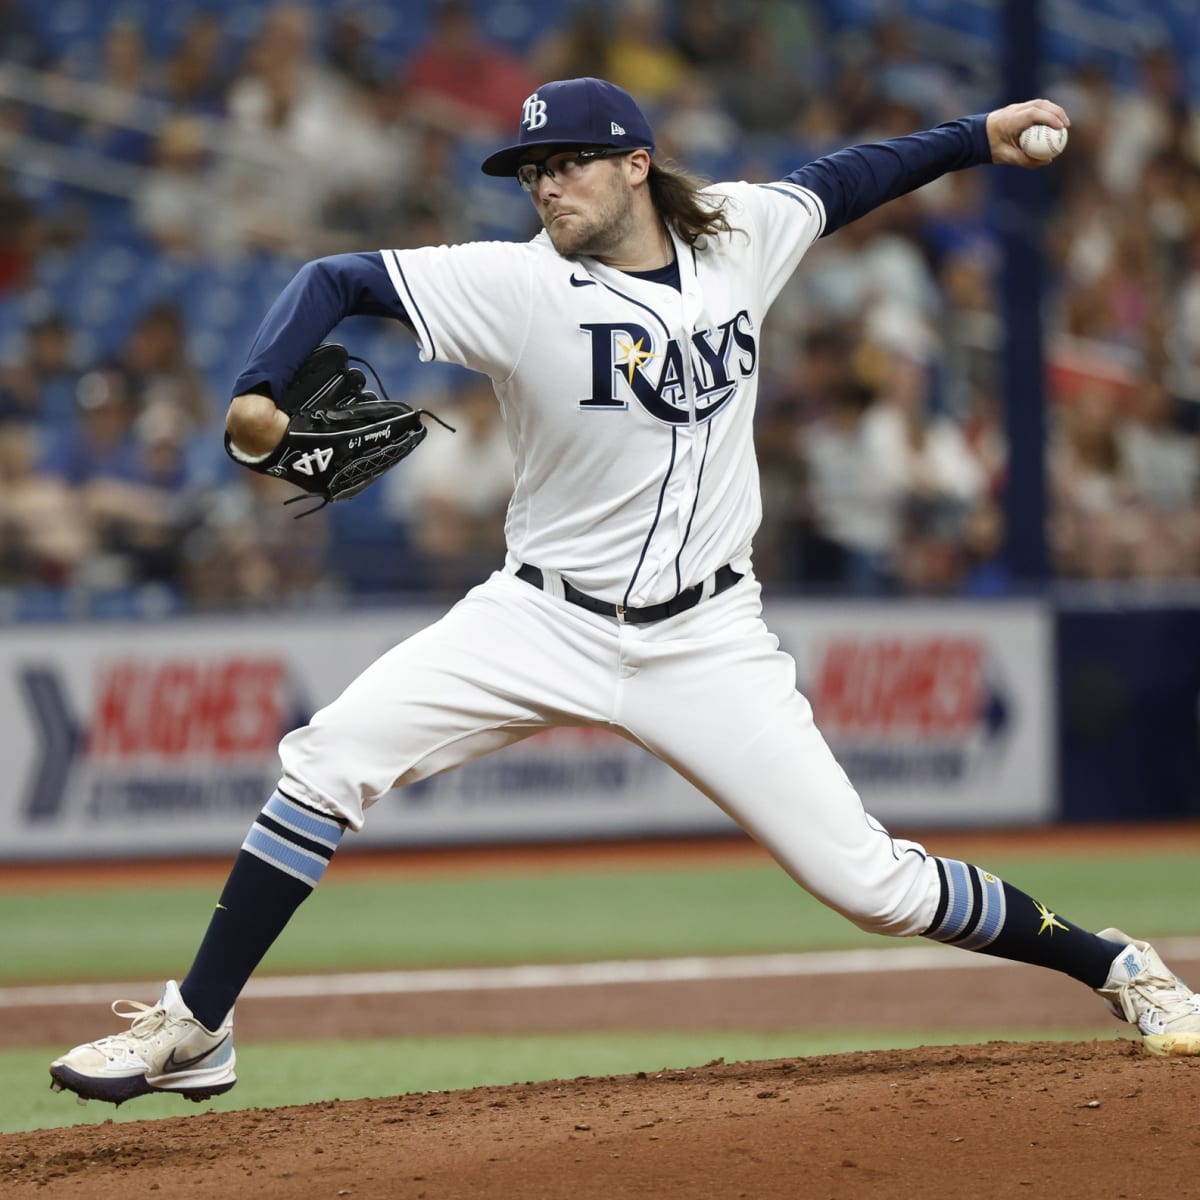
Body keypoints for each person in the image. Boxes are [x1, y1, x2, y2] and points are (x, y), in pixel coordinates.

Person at [49, 76, 1200, 1108]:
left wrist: (980, 138)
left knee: (872, 885)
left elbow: (850, 179)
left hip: (708, 637)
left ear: (636, 165)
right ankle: (196, 1026)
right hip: (538, 614)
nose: (548, 185)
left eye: (570, 163)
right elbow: (333, 277)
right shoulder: (516, 285)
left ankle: (1117, 965)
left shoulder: (742, 232)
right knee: (326, 757)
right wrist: (259, 385)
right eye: (534, 169)